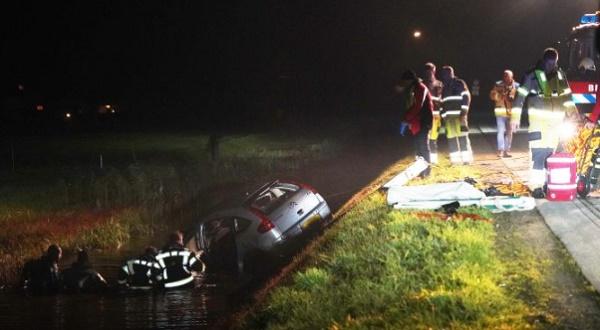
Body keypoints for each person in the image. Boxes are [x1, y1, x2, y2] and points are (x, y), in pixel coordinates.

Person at [512, 48, 580, 198]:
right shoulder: (533, 75)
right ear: (544, 61)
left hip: (555, 125)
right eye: (549, 63)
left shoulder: (560, 76)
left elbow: (567, 97)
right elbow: (520, 96)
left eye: (554, 63)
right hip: (539, 124)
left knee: (550, 155)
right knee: (538, 155)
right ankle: (536, 187)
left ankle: (546, 184)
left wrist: (574, 115)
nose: (551, 66)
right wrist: (515, 118)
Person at [396, 70, 433, 177]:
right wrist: (407, 120)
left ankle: (426, 172)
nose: (404, 84)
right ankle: (421, 171)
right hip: (417, 122)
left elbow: (418, 106)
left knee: (423, 146)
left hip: (423, 121)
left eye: (405, 82)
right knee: (418, 147)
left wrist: (406, 119)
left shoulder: (420, 88)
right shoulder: (413, 89)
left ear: (410, 80)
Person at [439, 66, 473, 165]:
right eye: (443, 74)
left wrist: (464, 112)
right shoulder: (443, 86)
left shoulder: (459, 83)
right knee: (451, 138)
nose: (444, 76)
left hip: (460, 116)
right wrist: (443, 115)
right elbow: (442, 102)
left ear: (451, 73)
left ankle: (466, 160)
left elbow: (466, 97)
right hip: (448, 118)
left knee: (463, 137)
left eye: (446, 74)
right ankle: (455, 161)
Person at [490, 70, 520, 158]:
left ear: (512, 77)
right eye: (504, 76)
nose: (505, 77)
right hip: (500, 111)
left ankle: (507, 150)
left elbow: (519, 98)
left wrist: (512, 97)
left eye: (507, 76)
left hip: (512, 113)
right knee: (500, 131)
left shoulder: (517, 86)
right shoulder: (498, 84)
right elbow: (492, 95)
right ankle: (501, 150)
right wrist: (499, 96)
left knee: (509, 132)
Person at [422, 63, 444, 164]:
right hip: (426, 114)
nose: (429, 72)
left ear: (433, 70)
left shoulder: (438, 84)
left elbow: (440, 99)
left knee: (432, 138)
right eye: (427, 70)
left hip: (434, 114)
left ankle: (432, 160)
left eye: (430, 70)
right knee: (425, 138)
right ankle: (426, 160)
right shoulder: (422, 84)